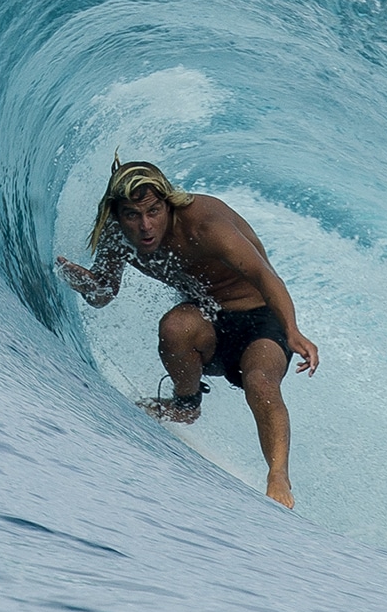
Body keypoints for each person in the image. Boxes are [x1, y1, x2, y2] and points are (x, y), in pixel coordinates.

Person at [57, 158, 318, 508]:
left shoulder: (206, 224)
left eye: (153, 211)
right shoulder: (118, 237)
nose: (145, 226)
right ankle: (185, 404)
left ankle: (278, 478)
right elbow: (105, 293)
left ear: (167, 203)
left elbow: (264, 275)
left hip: (260, 322)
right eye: (133, 215)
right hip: (207, 323)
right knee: (175, 326)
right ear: (117, 213)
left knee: (261, 381)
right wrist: (85, 283)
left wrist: (292, 330)